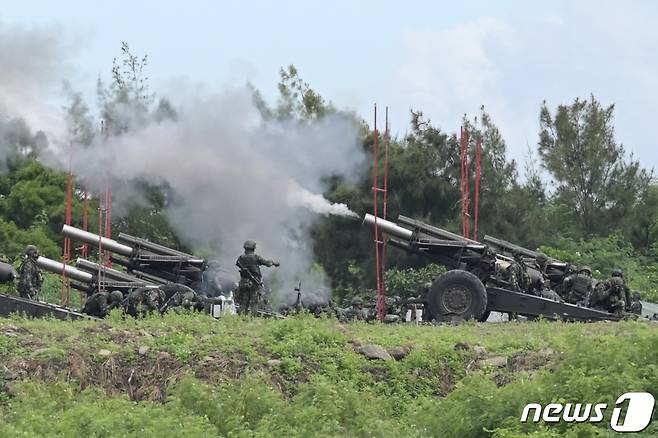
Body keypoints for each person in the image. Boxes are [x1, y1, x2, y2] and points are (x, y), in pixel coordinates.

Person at [235, 240, 280, 315]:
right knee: (254, 303)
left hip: (244, 282)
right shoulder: (256, 257)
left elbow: (238, 263)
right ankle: (252, 320)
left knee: (243, 302)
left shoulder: (241, 258)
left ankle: (242, 318)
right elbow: (267, 263)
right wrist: (274, 263)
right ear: (254, 248)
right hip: (254, 283)